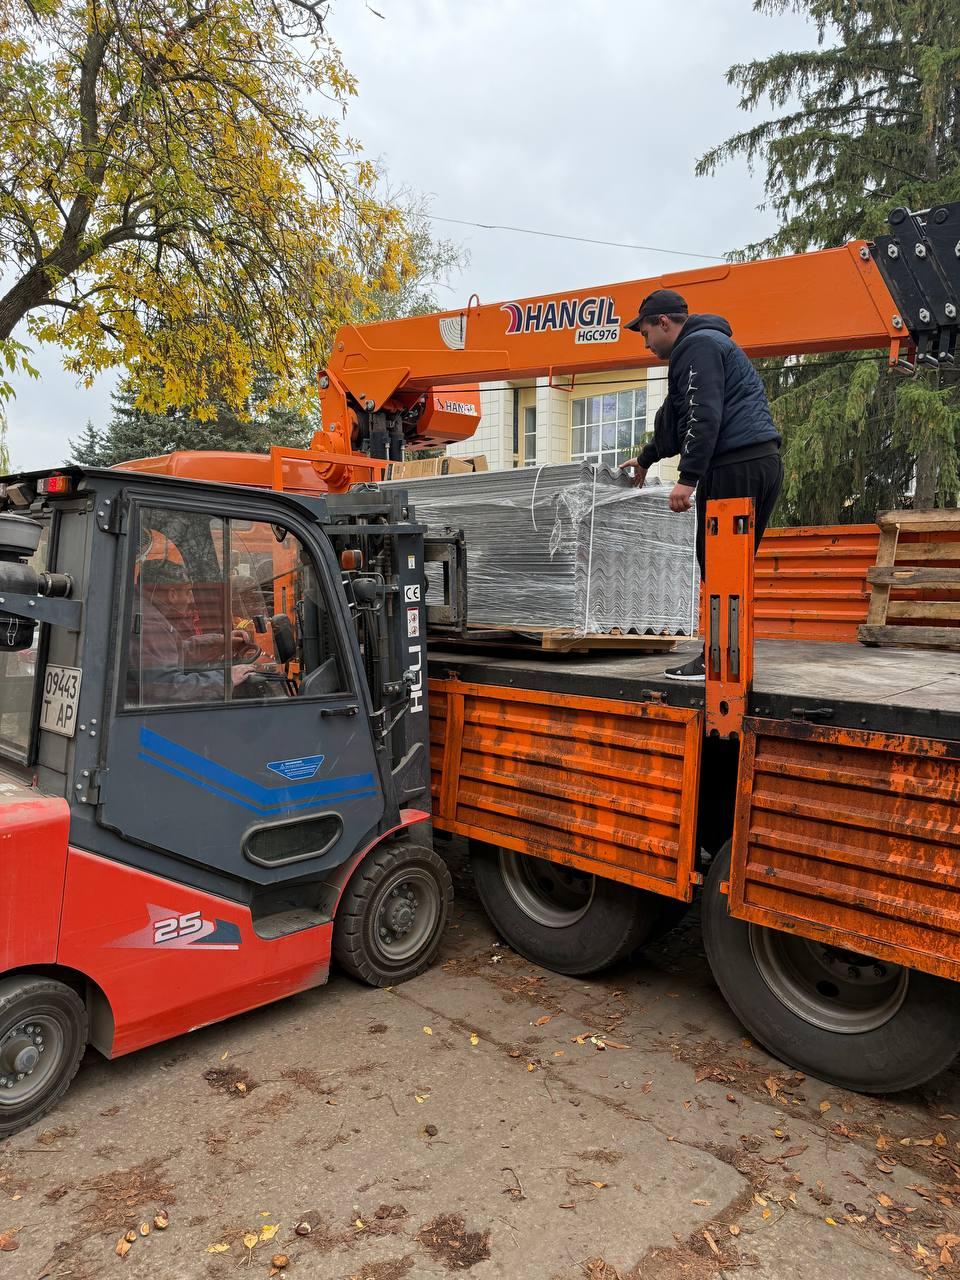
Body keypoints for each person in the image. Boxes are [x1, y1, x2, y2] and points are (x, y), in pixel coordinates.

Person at [620, 288, 783, 681]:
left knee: (721, 563)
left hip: (735, 464)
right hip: (752, 462)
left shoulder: (698, 346)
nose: (645, 344)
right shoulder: (703, 347)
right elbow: (677, 419)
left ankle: (719, 660)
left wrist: (687, 478)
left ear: (663, 322)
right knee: (726, 564)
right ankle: (727, 658)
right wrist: (646, 459)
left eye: (646, 333)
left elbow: (703, 414)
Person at [129, 559, 256, 705]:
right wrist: (226, 679)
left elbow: (177, 652)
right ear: (172, 594)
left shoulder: (142, 610)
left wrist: (221, 643)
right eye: (188, 592)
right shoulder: (149, 624)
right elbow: (166, 687)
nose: (191, 600)